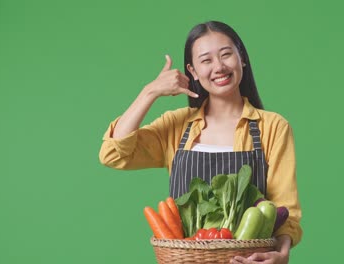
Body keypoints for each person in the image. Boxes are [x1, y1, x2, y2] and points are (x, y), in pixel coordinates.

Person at [99, 21, 302, 263]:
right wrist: (150, 92)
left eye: (226, 54)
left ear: (242, 59)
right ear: (192, 71)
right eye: (206, 60)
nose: (219, 67)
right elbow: (114, 154)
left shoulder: (272, 127)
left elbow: (284, 209)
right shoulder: (176, 126)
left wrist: (281, 255)